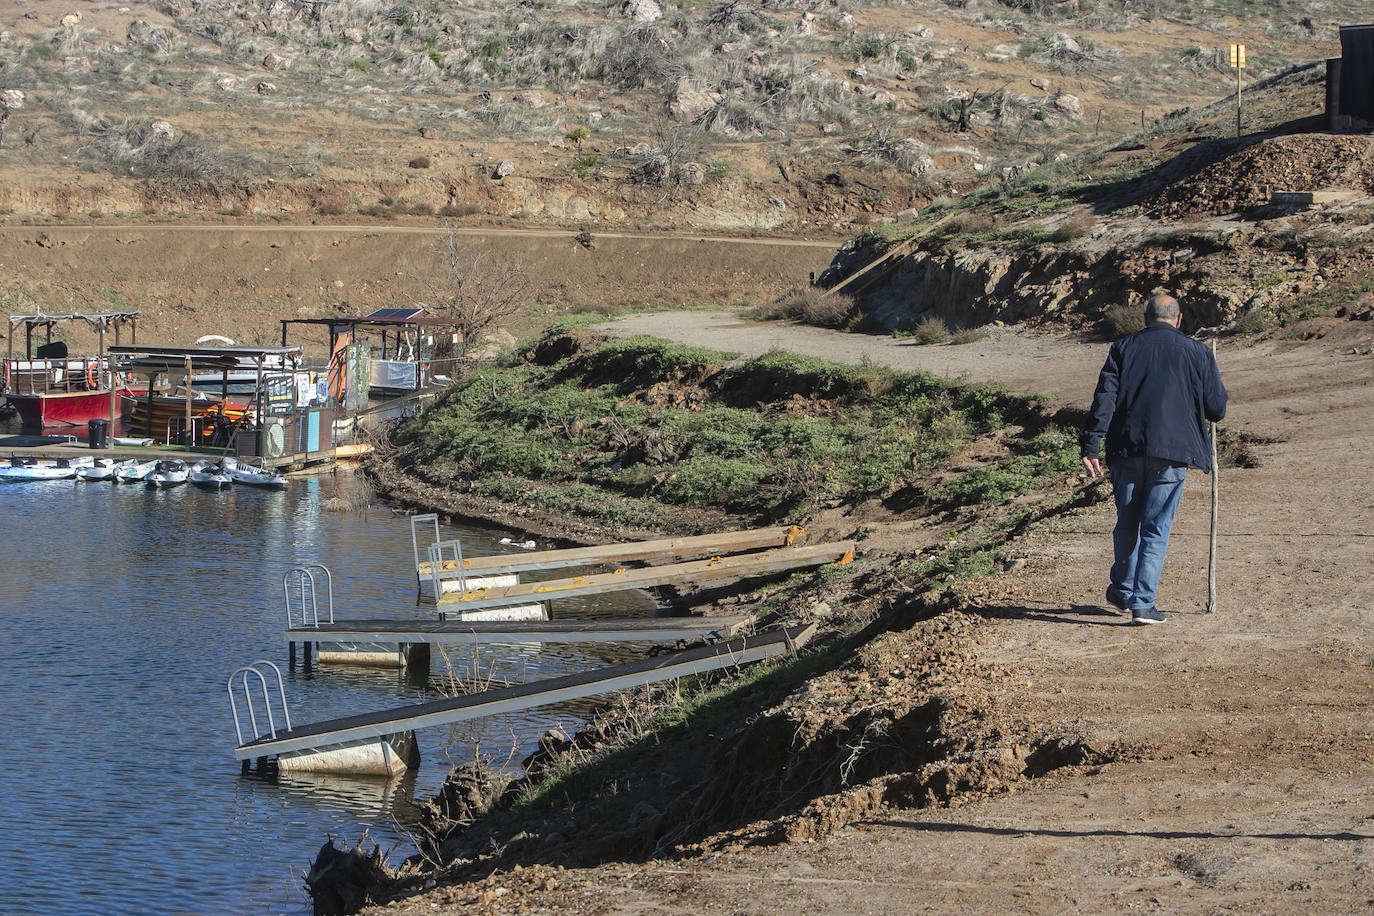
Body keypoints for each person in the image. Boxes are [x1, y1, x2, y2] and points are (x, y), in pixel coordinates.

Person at [1080, 293, 1228, 625]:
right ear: (1178, 320)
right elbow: (1216, 409)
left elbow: (1104, 399)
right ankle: (1142, 604)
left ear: (1145, 319)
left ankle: (1122, 590)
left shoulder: (1122, 349)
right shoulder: (1198, 352)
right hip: (1173, 452)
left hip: (1126, 449)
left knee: (1127, 523)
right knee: (1155, 528)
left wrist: (1091, 444)